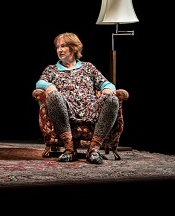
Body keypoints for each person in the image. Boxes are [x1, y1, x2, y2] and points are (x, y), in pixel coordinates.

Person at [36, 32, 119, 164]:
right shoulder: (51, 70)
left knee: (112, 99)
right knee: (54, 95)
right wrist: (49, 86)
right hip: (66, 111)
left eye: (63, 46)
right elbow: (39, 83)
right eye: (57, 47)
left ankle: (93, 150)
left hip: (89, 109)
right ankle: (69, 150)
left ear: (74, 48)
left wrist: (107, 89)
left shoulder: (88, 67)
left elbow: (107, 83)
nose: (59, 50)